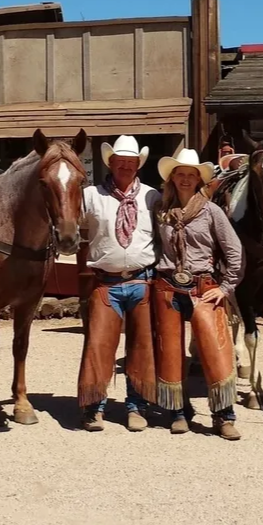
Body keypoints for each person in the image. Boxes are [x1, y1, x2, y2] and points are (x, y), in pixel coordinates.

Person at [151, 148, 244, 440]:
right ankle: (178, 412)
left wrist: (226, 287)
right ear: (173, 178)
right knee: (171, 351)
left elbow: (234, 251)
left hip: (203, 286)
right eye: (181, 174)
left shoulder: (211, 211)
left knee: (215, 350)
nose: (186, 179)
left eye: (191, 175)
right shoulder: (161, 213)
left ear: (198, 179)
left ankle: (224, 415)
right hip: (167, 284)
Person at [77, 134, 159, 432]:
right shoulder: (90, 196)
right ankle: (94, 407)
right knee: (98, 346)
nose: (125, 167)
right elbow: (71, 227)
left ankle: (136, 407)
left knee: (141, 347)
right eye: (120, 162)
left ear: (138, 165)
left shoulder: (153, 197)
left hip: (142, 280)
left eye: (131, 162)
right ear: (110, 163)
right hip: (105, 282)